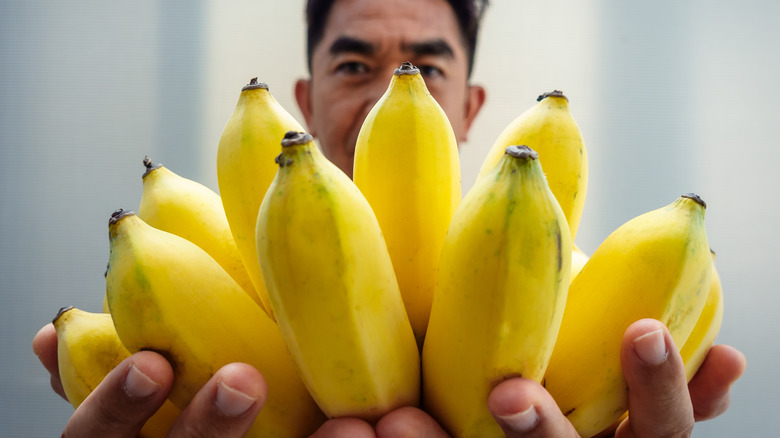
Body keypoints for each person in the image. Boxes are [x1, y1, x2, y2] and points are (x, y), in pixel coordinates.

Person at [33, 0, 746, 436]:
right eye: (353, 67)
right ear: (303, 100)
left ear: (468, 109)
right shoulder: (197, 265)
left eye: (426, 71)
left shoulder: (573, 300)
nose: (388, 94)